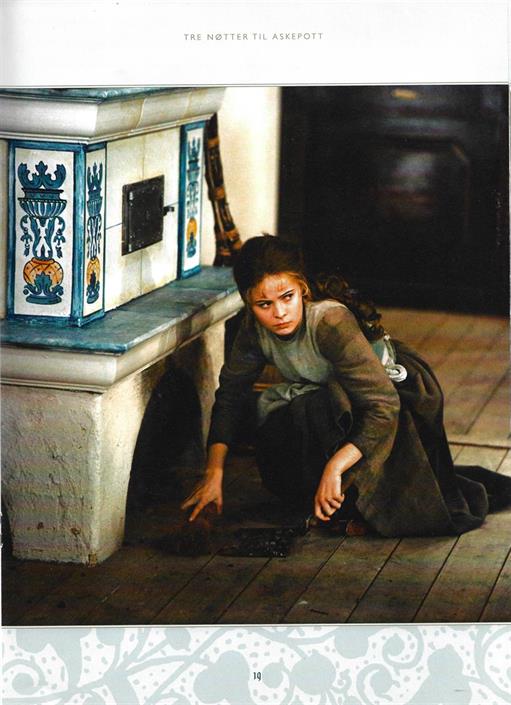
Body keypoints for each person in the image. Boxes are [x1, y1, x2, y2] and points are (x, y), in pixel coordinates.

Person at [182, 234, 511, 536]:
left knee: (398, 494)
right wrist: (214, 473)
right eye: (264, 305)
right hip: (331, 398)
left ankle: (356, 496)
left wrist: (334, 466)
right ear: (248, 302)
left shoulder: (330, 322)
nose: (279, 313)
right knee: (291, 414)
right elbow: (231, 395)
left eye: (287, 297)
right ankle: (331, 493)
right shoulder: (254, 329)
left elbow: (383, 405)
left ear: (302, 289)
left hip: (393, 396)